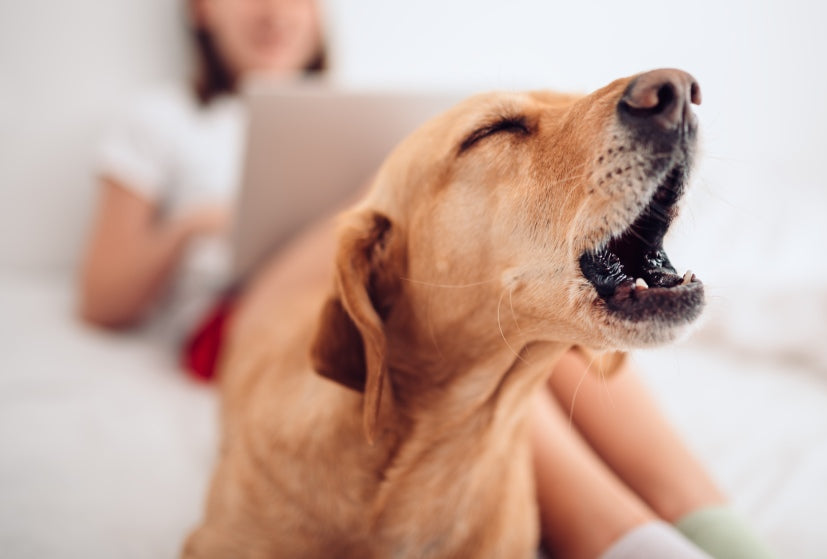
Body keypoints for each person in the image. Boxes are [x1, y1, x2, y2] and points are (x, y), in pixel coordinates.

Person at [78, 1, 774, 558]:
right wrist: (199, 224)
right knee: (466, 336)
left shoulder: (357, 105)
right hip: (245, 305)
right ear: (199, 10)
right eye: (503, 130)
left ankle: (719, 535)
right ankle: (623, 538)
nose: (274, 8)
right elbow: (101, 295)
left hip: (412, 273)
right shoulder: (164, 119)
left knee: (525, 320)